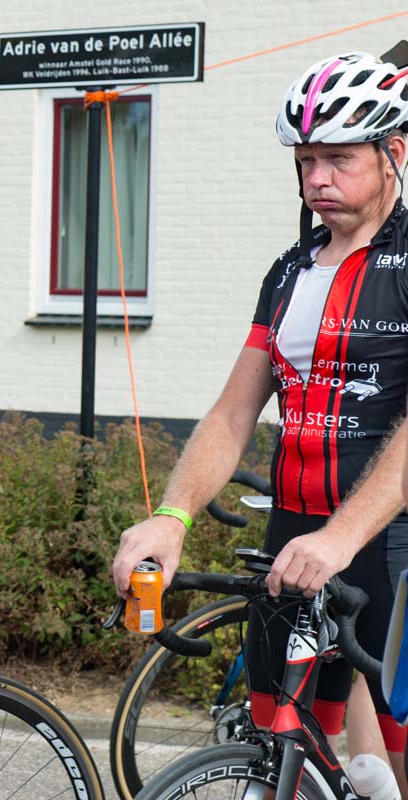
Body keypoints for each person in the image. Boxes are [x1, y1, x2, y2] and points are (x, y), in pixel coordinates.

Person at [112, 50, 408, 792]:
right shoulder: (289, 270)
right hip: (293, 537)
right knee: (282, 747)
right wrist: (172, 516)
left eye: (339, 159)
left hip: (389, 547)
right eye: (306, 161)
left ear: (394, 155)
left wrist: (342, 536)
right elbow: (233, 411)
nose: (317, 179)